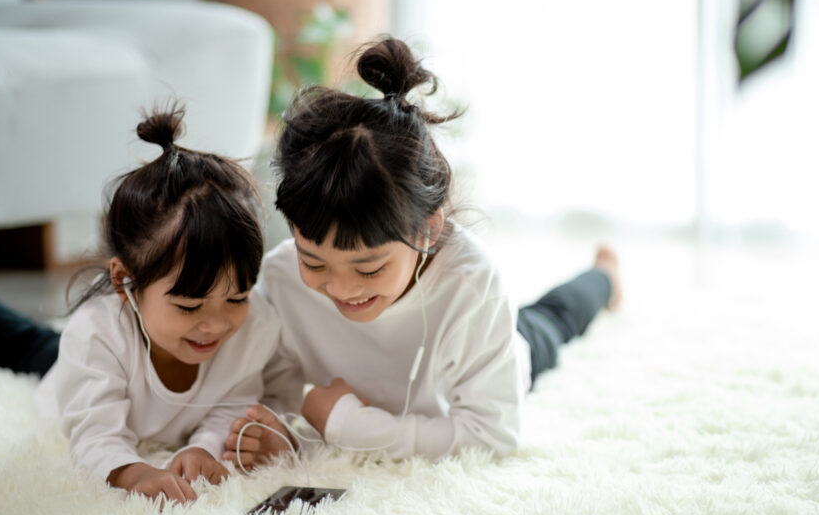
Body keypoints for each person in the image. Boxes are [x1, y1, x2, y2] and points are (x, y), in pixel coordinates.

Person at [225, 37, 621, 468]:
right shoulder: (281, 277)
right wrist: (283, 437)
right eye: (313, 261)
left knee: (552, 319)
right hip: (429, 369)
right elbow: (272, 397)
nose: (339, 287)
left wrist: (348, 424)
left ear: (429, 229)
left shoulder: (470, 285)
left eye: (369, 267)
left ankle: (605, 276)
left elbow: (491, 437)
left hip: (495, 352)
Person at [0, 105, 297, 504]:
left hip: (114, 345)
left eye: (237, 297)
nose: (216, 324)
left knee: (41, 342)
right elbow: (94, 435)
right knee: (24, 346)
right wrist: (133, 472)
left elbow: (231, 403)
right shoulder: (97, 335)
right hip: (76, 364)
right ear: (123, 280)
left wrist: (202, 449)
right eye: (189, 306)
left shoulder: (255, 328)